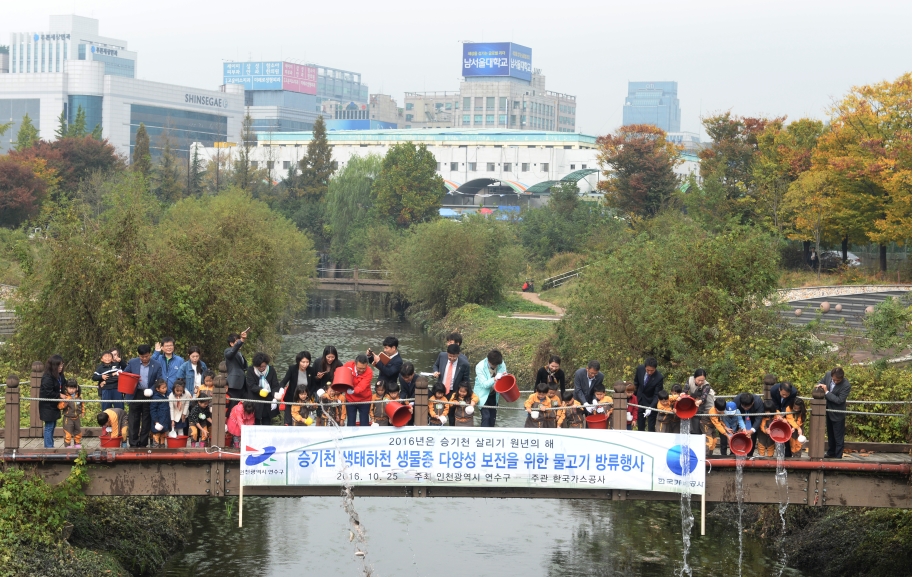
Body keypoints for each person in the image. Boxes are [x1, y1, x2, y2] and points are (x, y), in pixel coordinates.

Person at [124, 344, 163, 448]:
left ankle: (143, 442)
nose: (144, 359)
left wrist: (152, 389)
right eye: (142, 357)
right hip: (135, 393)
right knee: (133, 418)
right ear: (139, 355)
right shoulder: (133, 362)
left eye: (146, 356)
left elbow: (159, 380)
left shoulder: (157, 364)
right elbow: (126, 374)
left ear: (150, 354)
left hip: (149, 394)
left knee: (146, 418)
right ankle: (133, 442)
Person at [817, 367, 851, 458]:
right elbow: (820, 382)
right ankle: (831, 452)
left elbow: (839, 400)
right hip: (828, 410)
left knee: (838, 437)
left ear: (842, 378)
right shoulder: (828, 374)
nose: (835, 382)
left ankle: (838, 456)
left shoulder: (846, 385)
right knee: (830, 434)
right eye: (834, 380)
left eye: (838, 380)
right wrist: (819, 386)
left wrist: (826, 392)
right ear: (831, 376)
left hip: (838, 413)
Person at [280, 351, 317, 426]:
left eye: (307, 362)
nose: (305, 364)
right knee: (288, 421)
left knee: (304, 420)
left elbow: (314, 385)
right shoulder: (292, 369)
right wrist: (281, 389)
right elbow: (284, 381)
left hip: (305, 400)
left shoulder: (311, 370)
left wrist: (308, 395)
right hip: (292, 398)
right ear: (298, 361)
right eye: (303, 362)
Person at [39, 355, 67, 448]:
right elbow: (48, 392)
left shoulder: (60, 375)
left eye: (62, 365)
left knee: (53, 425)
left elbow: (64, 384)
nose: (61, 368)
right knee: (49, 426)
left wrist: (72, 388)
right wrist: (60, 395)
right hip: (47, 405)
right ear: (53, 366)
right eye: (59, 366)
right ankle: (48, 447)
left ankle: (50, 445)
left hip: (55, 404)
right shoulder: (47, 377)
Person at [474, 350, 507, 428]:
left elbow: (503, 377)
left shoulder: (501, 363)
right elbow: (484, 384)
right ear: (488, 360)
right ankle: (483, 437)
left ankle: (491, 437)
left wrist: (505, 376)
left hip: (494, 394)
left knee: (492, 418)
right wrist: (494, 379)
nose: (496, 366)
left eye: (497, 364)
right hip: (482, 394)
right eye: (494, 364)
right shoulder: (480, 366)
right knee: (486, 416)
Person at [246, 353, 280, 425]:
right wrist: (260, 390)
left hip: (267, 400)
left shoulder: (271, 370)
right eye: (259, 367)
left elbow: (275, 385)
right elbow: (251, 385)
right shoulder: (250, 370)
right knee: (255, 422)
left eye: (263, 366)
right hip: (255, 400)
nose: (261, 368)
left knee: (267, 422)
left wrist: (275, 397)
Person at [633, 357, 664, 432]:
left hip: (651, 402)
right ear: (645, 367)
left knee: (651, 427)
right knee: (640, 425)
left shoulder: (659, 377)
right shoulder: (640, 369)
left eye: (652, 370)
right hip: (639, 400)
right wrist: (633, 398)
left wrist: (650, 408)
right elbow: (636, 383)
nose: (649, 372)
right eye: (648, 370)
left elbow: (657, 394)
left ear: (655, 369)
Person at [769, 379, 798, 456]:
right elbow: (775, 403)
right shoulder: (773, 390)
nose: (785, 396)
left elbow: (788, 404)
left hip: (787, 412)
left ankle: (788, 453)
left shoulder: (793, 392)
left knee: (788, 430)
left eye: (786, 395)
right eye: (783, 394)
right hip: (776, 411)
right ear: (779, 390)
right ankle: (778, 453)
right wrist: (778, 413)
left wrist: (783, 415)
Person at [344, 355, 374, 426]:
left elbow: (362, 386)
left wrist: (353, 391)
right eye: (359, 368)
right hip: (350, 400)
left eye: (364, 368)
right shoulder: (348, 366)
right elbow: (340, 374)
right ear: (355, 363)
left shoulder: (369, 372)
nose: (361, 370)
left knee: (364, 422)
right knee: (351, 422)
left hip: (364, 400)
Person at [224, 331, 249, 408]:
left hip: (243, 384)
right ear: (231, 344)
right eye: (237, 341)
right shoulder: (228, 351)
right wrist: (241, 340)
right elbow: (232, 352)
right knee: (233, 405)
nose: (239, 343)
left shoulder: (240, 354)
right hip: (234, 384)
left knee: (243, 406)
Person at [738, 392, 765, 457]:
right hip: (741, 420)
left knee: (752, 438)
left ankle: (749, 456)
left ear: (752, 403)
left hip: (753, 420)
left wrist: (752, 430)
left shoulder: (758, 402)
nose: (745, 408)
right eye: (743, 406)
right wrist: (739, 427)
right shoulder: (737, 401)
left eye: (747, 407)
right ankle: (737, 455)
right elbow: (735, 417)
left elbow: (758, 418)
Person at [59, 379, 84, 449]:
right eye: (70, 388)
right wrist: (65, 403)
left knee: (78, 432)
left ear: (76, 388)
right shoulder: (65, 397)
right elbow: (59, 406)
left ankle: (77, 443)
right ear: (66, 388)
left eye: (74, 388)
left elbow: (82, 404)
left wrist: (83, 412)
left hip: (76, 418)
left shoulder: (78, 397)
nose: (72, 390)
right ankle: (67, 445)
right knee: (68, 433)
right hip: (68, 418)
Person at [149, 380, 171, 448]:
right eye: (163, 388)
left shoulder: (168, 395)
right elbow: (153, 410)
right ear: (157, 389)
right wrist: (156, 421)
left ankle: (162, 448)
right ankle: (156, 450)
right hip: (158, 420)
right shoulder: (155, 398)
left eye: (165, 387)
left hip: (165, 420)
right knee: (156, 434)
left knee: (163, 435)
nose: (165, 389)